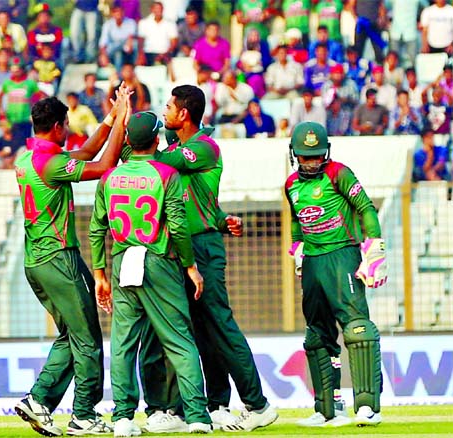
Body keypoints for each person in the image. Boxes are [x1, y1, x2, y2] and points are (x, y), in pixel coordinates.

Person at [141, 85, 278, 433]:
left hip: (201, 247)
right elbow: (200, 202)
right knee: (195, 330)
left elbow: (154, 162)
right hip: (184, 244)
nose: (165, 111)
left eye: (170, 106)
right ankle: (213, 404)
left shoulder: (203, 147)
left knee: (219, 324)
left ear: (184, 114)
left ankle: (258, 404)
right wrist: (222, 218)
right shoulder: (179, 147)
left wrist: (135, 139)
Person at [12, 88, 131, 437]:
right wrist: (123, 120)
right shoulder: (50, 163)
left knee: (71, 334)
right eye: (67, 124)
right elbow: (105, 165)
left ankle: (39, 400)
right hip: (59, 258)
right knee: (88, 338)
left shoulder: (29, 158)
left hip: (37, 259)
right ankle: (83, 413)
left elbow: (88, 151)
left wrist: (110, 117)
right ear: (59, 126)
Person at [88, 111, 212, 435]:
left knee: (123, 343)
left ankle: (123, 419)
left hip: (122, 259)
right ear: (157, 140)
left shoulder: (108, 178)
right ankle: (197, 415)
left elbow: (96, 227)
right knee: (180, 340)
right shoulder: (166, 173)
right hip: (158, 258)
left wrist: (100, 274)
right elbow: (179, 225)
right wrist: (190, 266)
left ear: (127, 141)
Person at [286, 121, 386, 427]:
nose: (312, 162)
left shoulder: (339, 172)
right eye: (306, 156)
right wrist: (297, 249)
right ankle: (328, 407)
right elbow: (295, 220)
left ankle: (368, 406)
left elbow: (365, 207)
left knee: (357, 329)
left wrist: (375, 246)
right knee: (317, 335)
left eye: (317, 155)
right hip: (314, 261)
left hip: (342, 254)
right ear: (295, 155)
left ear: (326, 153)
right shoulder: (291, 184)